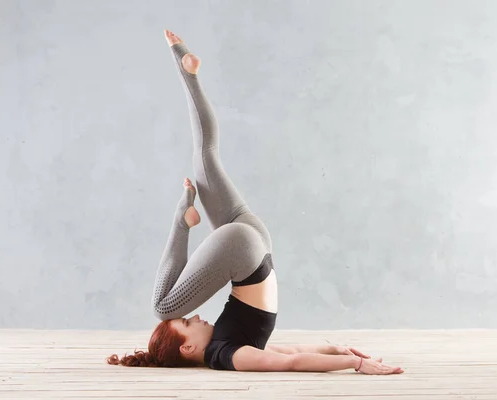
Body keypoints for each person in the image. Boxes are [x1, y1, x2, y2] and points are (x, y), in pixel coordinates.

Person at [106, 30, 404, 375]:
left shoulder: (225, 349)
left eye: (188, 318)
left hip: (249, 250)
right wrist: (351, 359)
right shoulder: (225, 354)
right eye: (189, 323)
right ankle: (183, 218)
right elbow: (287, 357)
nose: (198, 315)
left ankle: (187, 70)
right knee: (206, 156)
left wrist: (345, 356)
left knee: (164, 305)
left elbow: (286, 355)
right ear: (188, 347)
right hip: (247, 247)